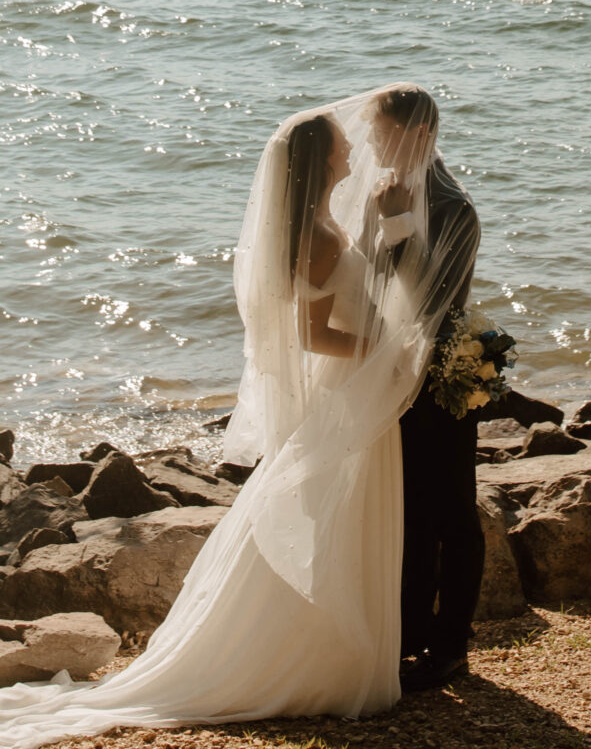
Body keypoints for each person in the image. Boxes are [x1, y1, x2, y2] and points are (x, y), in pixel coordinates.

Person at [0, 87, 478, 749]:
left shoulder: (436, 210)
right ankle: (351, 646)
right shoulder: (335, 223)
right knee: (362, 515)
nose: (358, 151)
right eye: (348, 146)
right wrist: (378, 348)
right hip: (364, 384)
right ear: (320, 163)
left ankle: (414, 644)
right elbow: (325, 324)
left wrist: (390, 298)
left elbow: (423, 300)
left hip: (414, 385)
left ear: (412, 134)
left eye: (368, 136)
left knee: (421, 515)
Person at [363, 86, 483, 692]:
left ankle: (452, 643)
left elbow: (433, 301)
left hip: (444, 376)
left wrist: (394, 222)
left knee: (453, 514)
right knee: (407, 511)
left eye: (380, 133)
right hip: (392, 374)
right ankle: (408, 635)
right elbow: (368, 278)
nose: (372, 144)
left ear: (416, 134)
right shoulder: (385, 191)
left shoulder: (453, 206)